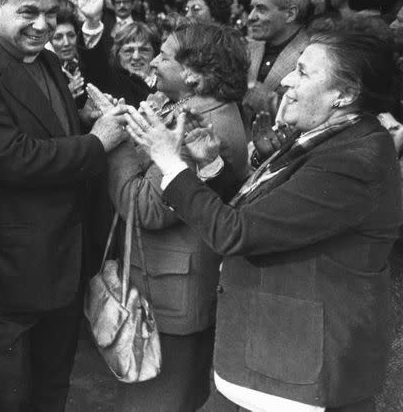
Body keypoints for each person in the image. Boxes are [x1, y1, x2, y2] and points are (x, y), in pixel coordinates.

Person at [127, 29, 402, 412]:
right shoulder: (332, 136)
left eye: (304, 72)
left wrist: (170, 163)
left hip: (293, 376)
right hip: (273, 358)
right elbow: (266, 210)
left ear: (345, 95)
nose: (287, 79)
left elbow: (236, 232)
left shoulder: (352, 160)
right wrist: (211, 164)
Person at [0, 0, 129, 412]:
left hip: (62, 267)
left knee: (52, 391)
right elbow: (14, 158)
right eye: (28, 12)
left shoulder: (46, 61)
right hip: (7, 277)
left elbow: (46, 130)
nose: (42, 24)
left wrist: (82, 118)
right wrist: (96, 140)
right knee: (6, 398)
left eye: (50, 12)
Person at [108, 21, 249, 412]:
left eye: (164, 55)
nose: (152, 60)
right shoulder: (200, 109)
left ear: (195, 76)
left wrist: (115, 140)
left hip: (171, 297)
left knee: (157, 402)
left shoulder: (198, 127)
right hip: (172, 287)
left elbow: (144, 207)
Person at [67, 0, 162, 107]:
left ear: (155, 53)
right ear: (118, 54)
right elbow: (94, 64)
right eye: (128, 51)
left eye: (144, 50)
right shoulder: (113, 79)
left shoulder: (165, 82)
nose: (136, 57)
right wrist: (93, 23)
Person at [243, 0, 310, 123]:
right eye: (252, 8)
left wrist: (246, 86)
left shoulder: (311, 54)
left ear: (290, 14)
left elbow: (300, 113)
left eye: (261, 9)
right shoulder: (250, 47)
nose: (251, 17)